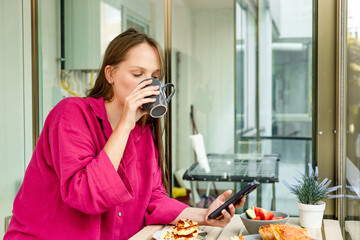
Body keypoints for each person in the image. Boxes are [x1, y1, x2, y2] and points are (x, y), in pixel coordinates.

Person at [4, 28, 245, 240]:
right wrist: (126, 123)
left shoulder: (142, 131)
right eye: (137, 74)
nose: (149, 84)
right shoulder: (70, 115)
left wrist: (205, 215)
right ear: (110, 75)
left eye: (154, 76)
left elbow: (154, 200)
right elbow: (86, 195)